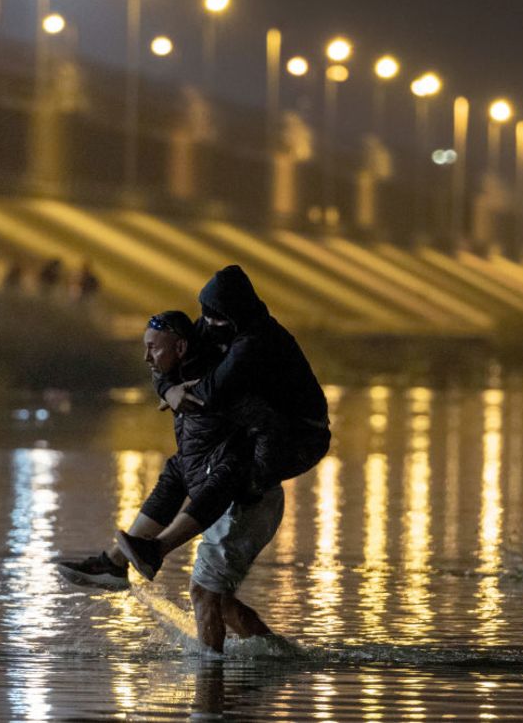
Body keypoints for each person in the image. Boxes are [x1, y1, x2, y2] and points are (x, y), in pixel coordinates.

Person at [59, 311, 283, 653]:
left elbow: (222, 481)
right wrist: (168, 387)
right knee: (218, 599)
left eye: (154, 348)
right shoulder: (179, 375)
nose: (147, 357)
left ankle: (210, 677)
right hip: (222, 489)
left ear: (180, 347)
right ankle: (276, 657)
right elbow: (181, 469)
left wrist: (161, 546)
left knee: (203, 592)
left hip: (246, 501)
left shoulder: (214, 387)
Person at [115, 265, 330, 582]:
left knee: (231, 471)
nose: (208, 325)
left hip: (300, 437)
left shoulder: (255, 340)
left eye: (216, 318)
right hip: (257, 428)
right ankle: (116, 562)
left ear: (235, 315)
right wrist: (168, 389)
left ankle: (157, 550)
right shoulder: (216, 323)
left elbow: (210, 394)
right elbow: (173, 358)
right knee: (180, 469)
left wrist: (257, 479)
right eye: (206, 316)